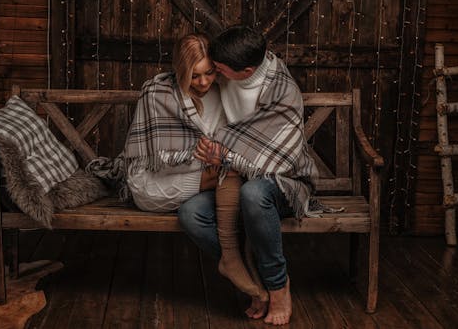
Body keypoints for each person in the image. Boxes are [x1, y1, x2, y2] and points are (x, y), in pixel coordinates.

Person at [89, 33, 267, 302]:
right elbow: (154, 159)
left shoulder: (224, 91)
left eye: (209, 73)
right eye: (195, 76)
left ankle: (236, 264)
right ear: (181, 71)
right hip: (161, 177)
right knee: (150, 191)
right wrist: (199, 158)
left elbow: (241, 137)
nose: (204, 82)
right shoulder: (157, 93)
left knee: (218, 187)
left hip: (214, 173)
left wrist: (219, 155)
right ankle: (241, 264)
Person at [178, 26, 319, 326]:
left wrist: (225, 155)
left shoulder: (282, 91)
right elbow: (188, 78)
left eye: (218, 69)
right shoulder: (226, 70)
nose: (213, 73)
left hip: (283, 180)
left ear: (246, 71)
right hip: (230, 178)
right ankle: (245, 273)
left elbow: (280, 161)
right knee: (191, 213)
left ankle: (277, 286)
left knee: (254, 193)